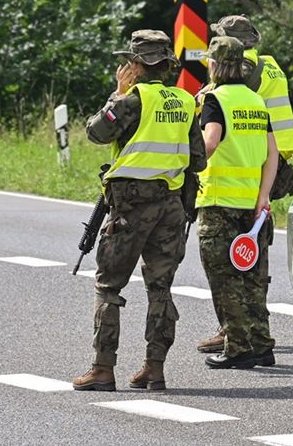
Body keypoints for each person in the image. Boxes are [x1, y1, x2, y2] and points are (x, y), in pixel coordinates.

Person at [72, 29, 206, 392]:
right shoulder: (184, 101)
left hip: (131, 206)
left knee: (108, 286)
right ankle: (154, 368)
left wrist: (117, 93)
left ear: (135, 65)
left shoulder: (131, 100)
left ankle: (102, 369)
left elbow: (96, 133)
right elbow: (198, 159)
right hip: (171, 206)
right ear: (167, 65)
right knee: (160, 288)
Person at [197, 14, 293, 355]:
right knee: (252, 257)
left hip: (236, 168)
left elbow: (216, 132)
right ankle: (256, 335)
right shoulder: (271, 67)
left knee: (227, 264)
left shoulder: (239, 73)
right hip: (269, 164)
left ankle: (234, 332)